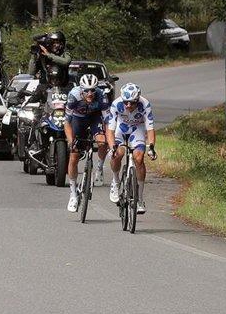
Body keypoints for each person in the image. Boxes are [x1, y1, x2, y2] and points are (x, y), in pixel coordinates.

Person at [105, 83, 157, 214]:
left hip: (137, 130)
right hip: (120, 130)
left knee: (139, 159)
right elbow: (110, 130)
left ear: (137, 100)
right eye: (126, 102)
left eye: (132, 103)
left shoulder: (145, 105)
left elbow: (150, 129)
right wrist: (112, 148)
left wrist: (151, 147)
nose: (128, 106)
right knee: (117, 154)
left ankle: (139, 198)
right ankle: (116, 182)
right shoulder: (116, 104)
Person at [64, 74, 111, 213]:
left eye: (92, 90)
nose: (90, 94)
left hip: (94, 118)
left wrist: (109, 139)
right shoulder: (73, 96)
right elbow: (67, 122)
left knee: (102, 143)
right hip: (78, 120)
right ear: (81, 90)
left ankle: (99, 168)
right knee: (74, 155)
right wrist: (71, 141)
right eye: (86, 90)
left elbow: (108, 121)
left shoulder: (102, 96)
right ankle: (73, 194)